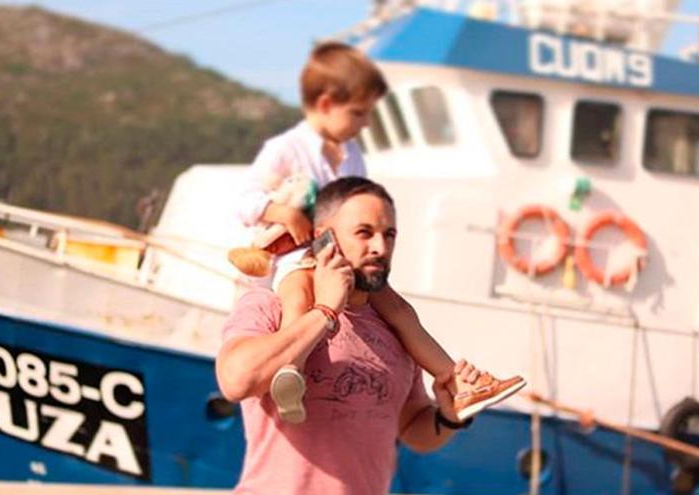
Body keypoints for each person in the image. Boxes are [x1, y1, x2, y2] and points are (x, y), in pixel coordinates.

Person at [230, 41, 524, 425]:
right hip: (298, 254)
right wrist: (283, 212)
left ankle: (456, 383)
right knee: (297, 297)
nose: (365, 124)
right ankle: (290, 372)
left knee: (400, 311)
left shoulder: (351, 151)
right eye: (358, 113)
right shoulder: (286, 149)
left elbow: (356, 200)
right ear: (325, 104)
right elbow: (244, 201)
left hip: (340, 255)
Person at [217, 177, 499, 494]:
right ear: (324, 238)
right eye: (364, 233)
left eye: (389, 235)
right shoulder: (270, 306)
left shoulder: (400, 333)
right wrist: (324, 311)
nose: (380, 248)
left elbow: (412, 430)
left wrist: (450, 417)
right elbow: (236, 381)